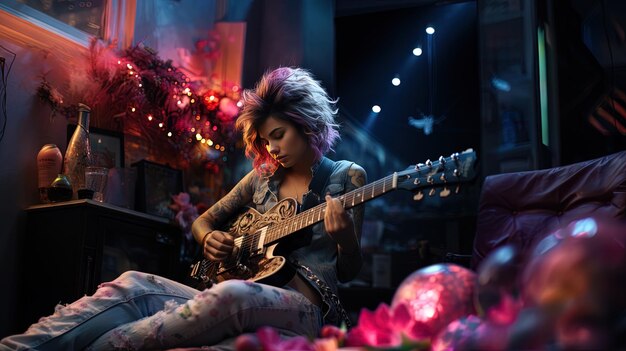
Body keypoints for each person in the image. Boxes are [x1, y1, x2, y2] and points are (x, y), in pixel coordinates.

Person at [1, 67, 367, 350]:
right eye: (265, 140)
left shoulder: (346, 177)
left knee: (231, 295)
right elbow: (204, 222)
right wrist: (210, 238)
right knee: (133, 284)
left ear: (307, 124)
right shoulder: (261, 179)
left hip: (306, 308)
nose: (272, 149)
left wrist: (346, 241)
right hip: (239, 289)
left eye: (279, 135)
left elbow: (348, 272)